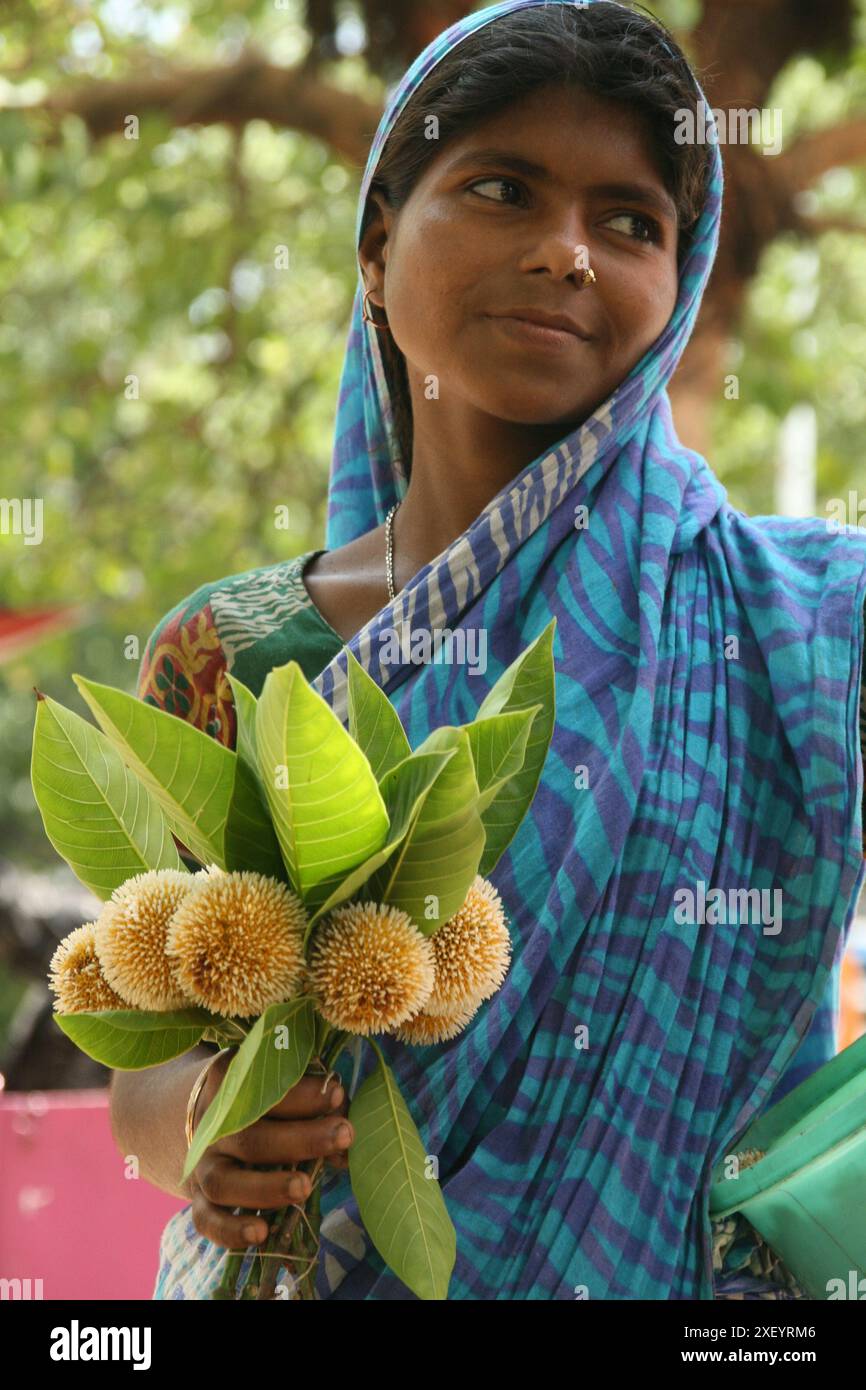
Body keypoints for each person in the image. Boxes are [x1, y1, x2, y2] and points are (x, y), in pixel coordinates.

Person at [110, 0, 866, 1300]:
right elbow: (143, 1041)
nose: (566, 253)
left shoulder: (806, 619)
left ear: (676, 282)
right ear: (376, 244)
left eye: (628, 220)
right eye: (502, 188)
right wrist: (202, 1127)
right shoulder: (230, 652)